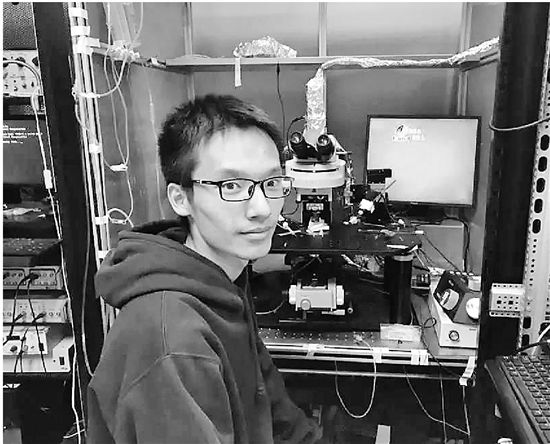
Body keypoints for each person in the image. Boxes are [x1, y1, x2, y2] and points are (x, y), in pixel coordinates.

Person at [87, 94, 323, 444]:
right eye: (232, 186)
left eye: (272, 183)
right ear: (181, 199)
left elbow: (278, 419)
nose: (262, 208)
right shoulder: (171, 338)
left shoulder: (223, 282)